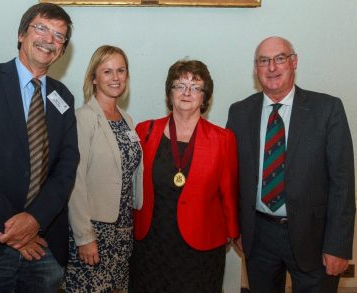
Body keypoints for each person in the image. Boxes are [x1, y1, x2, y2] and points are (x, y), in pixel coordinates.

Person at [0, 3, 79, 292]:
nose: (50, 40)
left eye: (59, 36)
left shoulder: (64, 98)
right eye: (42, 28)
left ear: (62, 49)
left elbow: (66, 167)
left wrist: (35, 220)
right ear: (22, 34)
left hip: (45, 245)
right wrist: (15, 229)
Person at [226, 36, 355, 293]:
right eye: (264, 61)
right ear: (256, 68)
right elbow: (232, 176)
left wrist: (337, 246)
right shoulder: (240, 112)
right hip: (259, 236)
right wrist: (237, 227)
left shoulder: (327, 109)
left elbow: (343, 182)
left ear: (294, 62)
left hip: (314, 237)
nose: (272, 67)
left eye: (280, 58)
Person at [130, 59, 239, 293]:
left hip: (200, 248)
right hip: (151, 243)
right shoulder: (145, 131)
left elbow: (228, 191)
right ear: (170, 93)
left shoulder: (223, 139)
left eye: (195, 87)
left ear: (204, 96)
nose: (187, 92)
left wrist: (233, 232)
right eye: (180, 85)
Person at [64, 45, 143, 293]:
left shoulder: (127, 120)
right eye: (107, 71)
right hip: (94, 231)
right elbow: (75, 183)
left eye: (121, 70)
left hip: (122, 230)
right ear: (94, 78)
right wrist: (85, 237)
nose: (116, 77)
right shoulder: (83, 118)